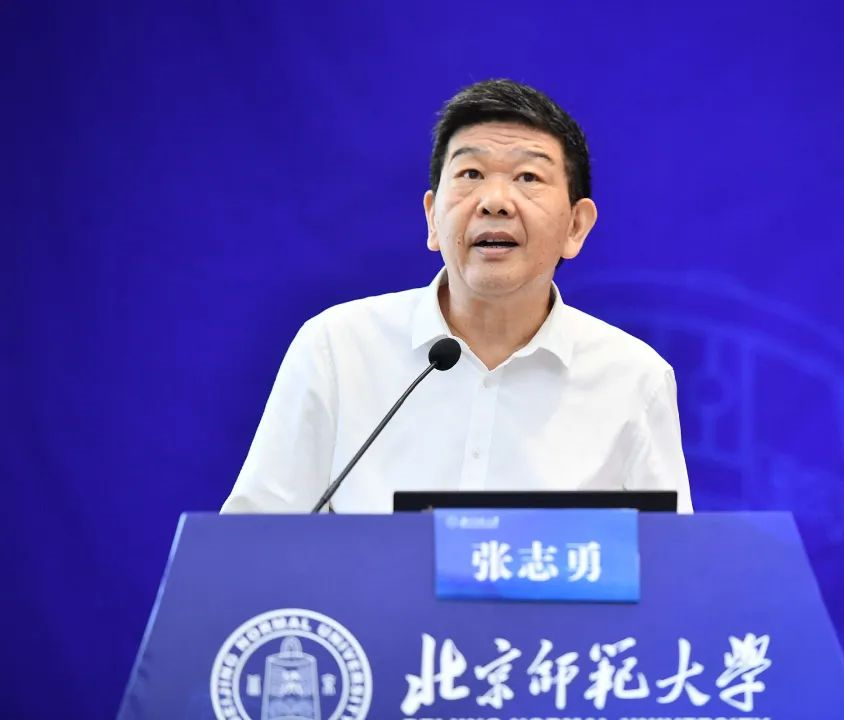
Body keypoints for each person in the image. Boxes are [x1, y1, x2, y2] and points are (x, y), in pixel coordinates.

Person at [221, 79, 692, 514]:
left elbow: (668, 563)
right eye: (470, 173)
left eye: (529, 177)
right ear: (432, 218)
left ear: (576, 226)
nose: (495, 201)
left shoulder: (633, 379)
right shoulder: (337, 348)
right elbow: (251, 545)